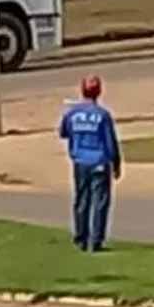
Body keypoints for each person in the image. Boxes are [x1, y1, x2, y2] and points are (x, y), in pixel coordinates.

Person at [58, 76, 122, 253]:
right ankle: (96, 240)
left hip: (80, 161)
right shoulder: (102, 115)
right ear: (99, 91)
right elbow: (111, 142)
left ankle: (80, 238)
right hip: (100, 161)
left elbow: (63, 132)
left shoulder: (71, 113)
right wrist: (116, 163)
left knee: (81, 199)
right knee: (100, 201)